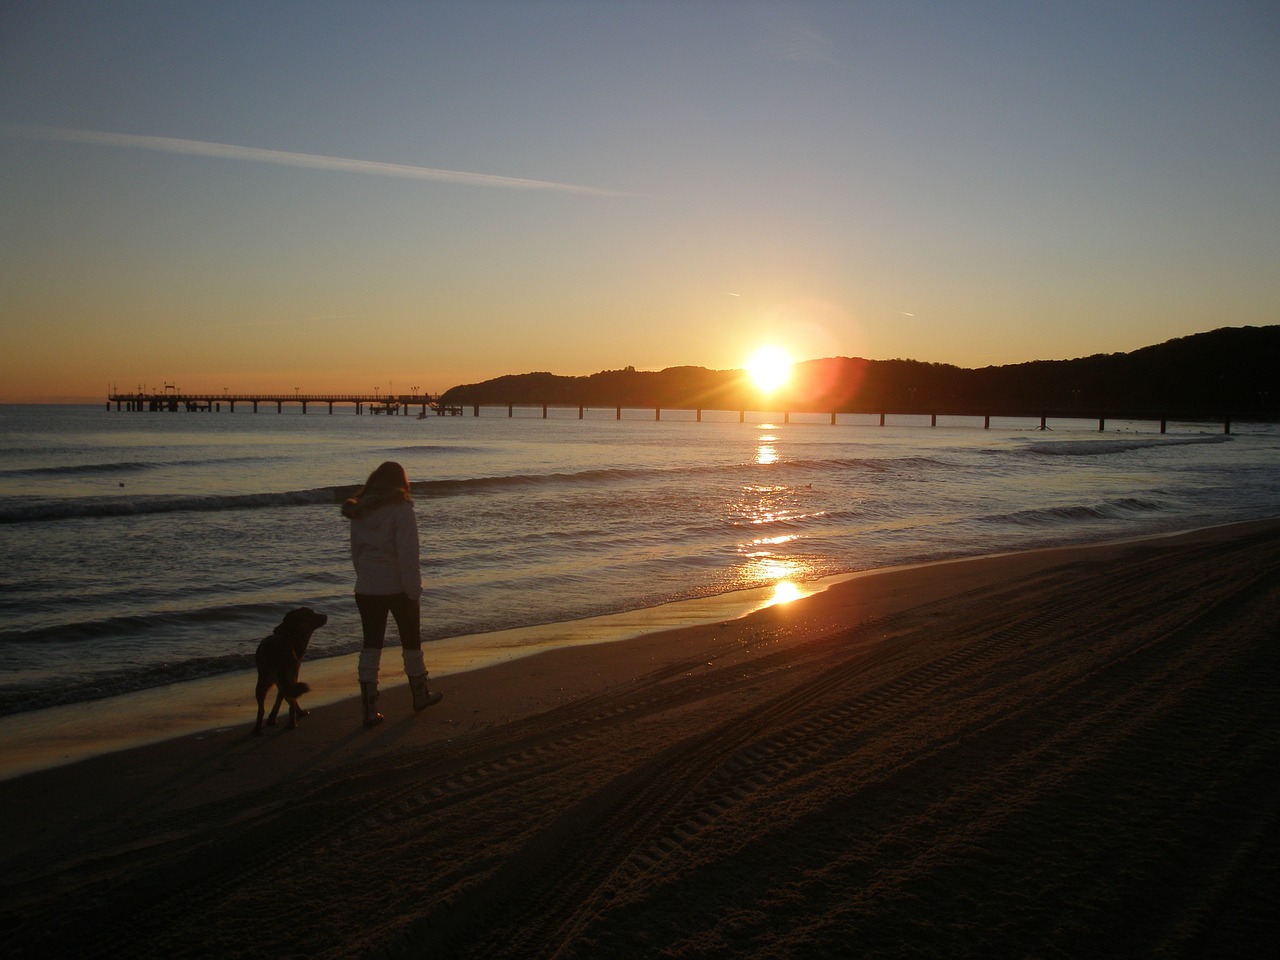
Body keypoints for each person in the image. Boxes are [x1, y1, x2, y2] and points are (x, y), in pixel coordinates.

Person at [341, 460, 442, 727]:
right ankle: (420, 694)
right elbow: (408, 555)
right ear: (402, 483)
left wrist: (364, 577)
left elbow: (356, 553)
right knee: (411, 642)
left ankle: (369, 709)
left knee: (371, 645)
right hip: (398, 587)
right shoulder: (402, 510)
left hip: (367, 588)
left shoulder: (359, 511)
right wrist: (413, 590)